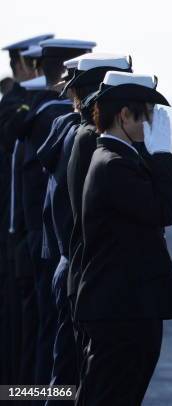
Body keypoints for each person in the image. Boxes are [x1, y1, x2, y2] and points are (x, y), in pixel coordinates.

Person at [74, 72, 172, 405]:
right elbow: (163, 211)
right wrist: (163, 156)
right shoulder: (114, 164)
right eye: (147, 116)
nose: (151, 125)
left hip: (125, 306)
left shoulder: (116, 158)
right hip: (122, 310)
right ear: (124, 115)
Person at [38, 53, 132, 401]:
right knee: (74, 378)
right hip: (86, 272)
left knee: (64, 371)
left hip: (68, 266)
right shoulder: (91, 139)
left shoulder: (69, 128)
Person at [19, 38, 95, 387]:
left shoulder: (52, 119)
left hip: (46, 248)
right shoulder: (66, 124)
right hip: (63, 257)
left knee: (48, 349)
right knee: (63, 361)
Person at [0, 33, 53, 386]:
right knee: (24, 332)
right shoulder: (21, 108)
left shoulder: (31, 105)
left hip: (25, 235)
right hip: (18, 235)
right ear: (23, 66)